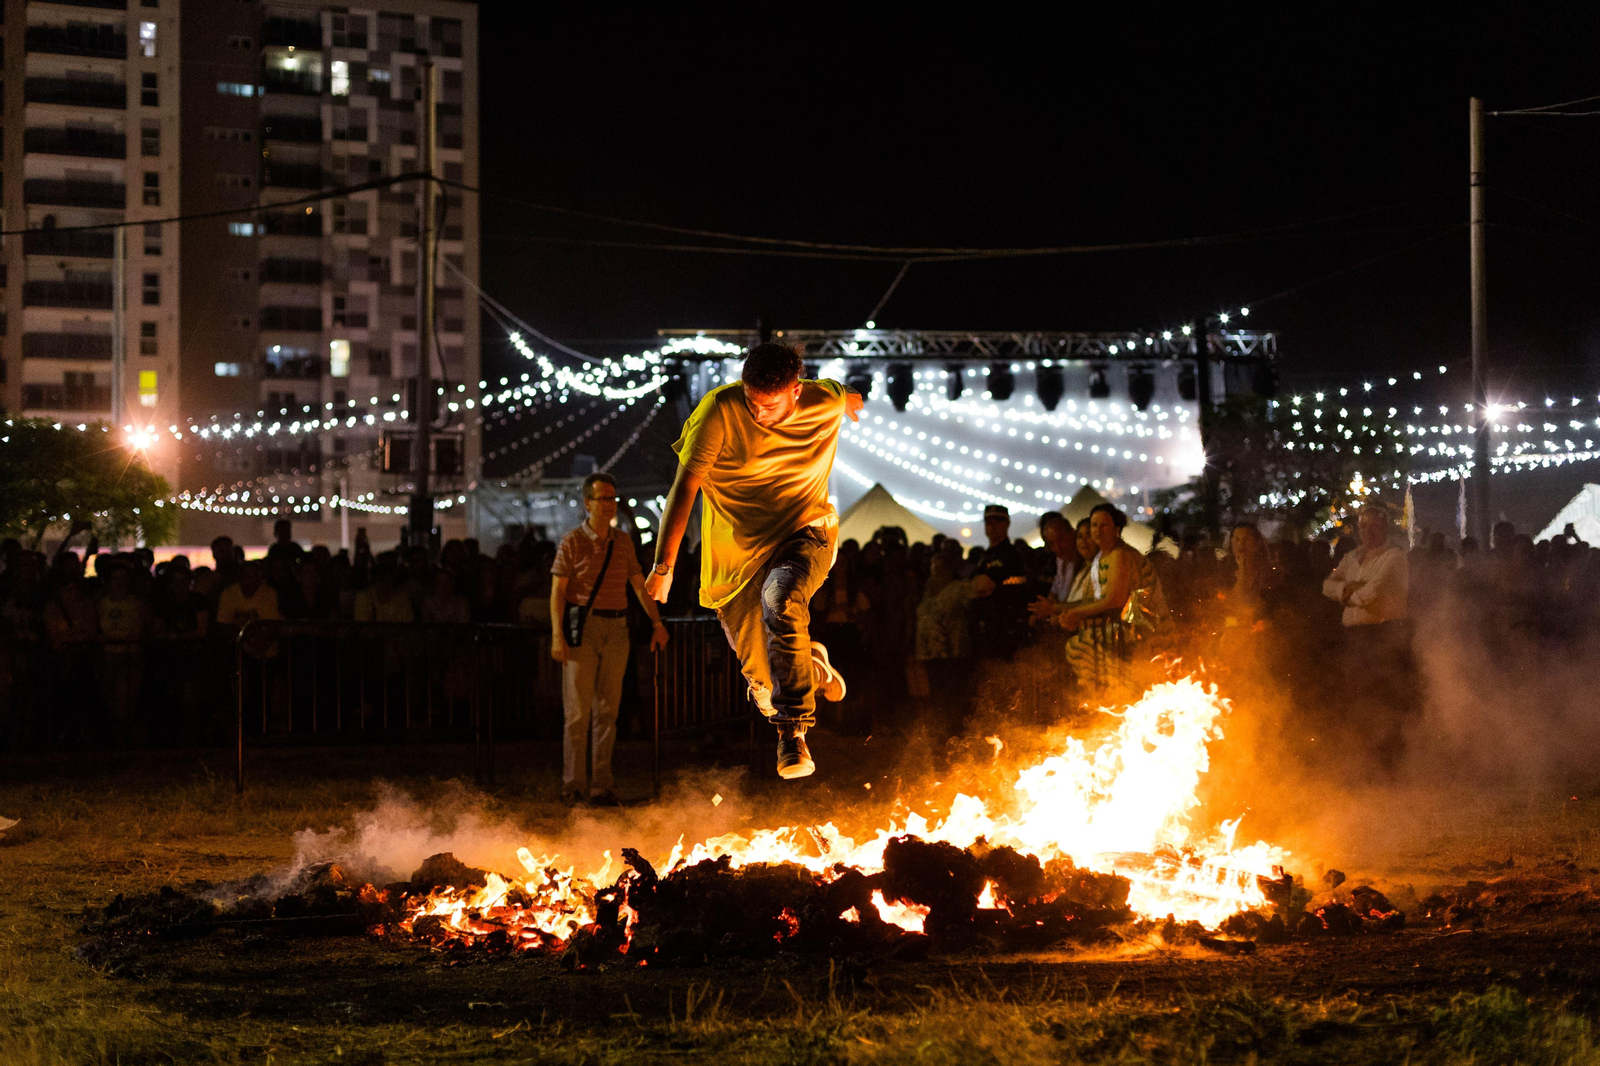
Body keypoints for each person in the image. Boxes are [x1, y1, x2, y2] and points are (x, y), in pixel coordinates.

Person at [646, 342, 861, 779]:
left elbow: (847, 396)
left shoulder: (823, 399)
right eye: (750, 401)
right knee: (763, 685)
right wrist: (663, 566)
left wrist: (851, 404)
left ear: (796, 391)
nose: (757, 413)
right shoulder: (718, 412)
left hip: (807, 531)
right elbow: (684, 489)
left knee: (780, 599)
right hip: (737, 556)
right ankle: (808, 664)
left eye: (768, 404)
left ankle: (793, 735)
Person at [552, 472, 669, 806]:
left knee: (608, 711)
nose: (610, 504)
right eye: (603, 499)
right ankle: (573, 785)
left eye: (612, 498)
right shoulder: (573, 540)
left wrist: (656, 621)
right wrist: (558, 635)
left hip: (617, 628)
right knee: (577, 713)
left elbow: (637, 583)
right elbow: (557, 591)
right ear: (587, 503)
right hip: (585, 629)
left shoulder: (622, 541)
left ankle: (601, 785)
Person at [1321, 503, 1411, 772]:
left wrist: (1349, 594)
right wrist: (1346, 590)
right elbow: (1327, 585)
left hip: (1383, 635)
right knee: (1359, 700)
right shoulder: (1352, 558)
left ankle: (1389, 764)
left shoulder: (1394, 557)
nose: (1368, 531)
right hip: (1356, 637)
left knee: (1384, 700)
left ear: (1384, 526)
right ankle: (1365, 761)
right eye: (1363, 526)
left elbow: (1373, 593)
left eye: (1374, 525)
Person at [1056, 504, 1169, 693]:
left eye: (1104, 525)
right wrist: (1071, 615)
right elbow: (1095, 601)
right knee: (1080, 643)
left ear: (1117, 529)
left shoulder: (1120, 554)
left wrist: (1076, 614)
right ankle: (1104, 696)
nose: (1097, 530)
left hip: (1146, 626)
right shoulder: (1101, 558)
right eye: (1094, 525)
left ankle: (1110, 694)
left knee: (1078, 646)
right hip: (1123, 623)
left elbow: (1114, 601)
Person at [972, 504, 1028, 659]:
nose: (992, 526)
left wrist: (979, 586)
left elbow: (982, 585)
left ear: (1007, 524)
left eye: (997, 522)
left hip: (1006, 624)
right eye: (988, 522)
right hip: (990, 623)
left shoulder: (1009, 554)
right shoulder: (986, 555)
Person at [1026, 511, 1083, 629]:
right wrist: (1040, 611)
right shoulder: (1061, 559)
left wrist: (1052, 608)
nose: (1057, 547)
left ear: (1072, 533)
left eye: (1061, 540)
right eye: (1052, 544)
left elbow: (1090, 602)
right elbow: (1056, 589)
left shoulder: (1087, 561)